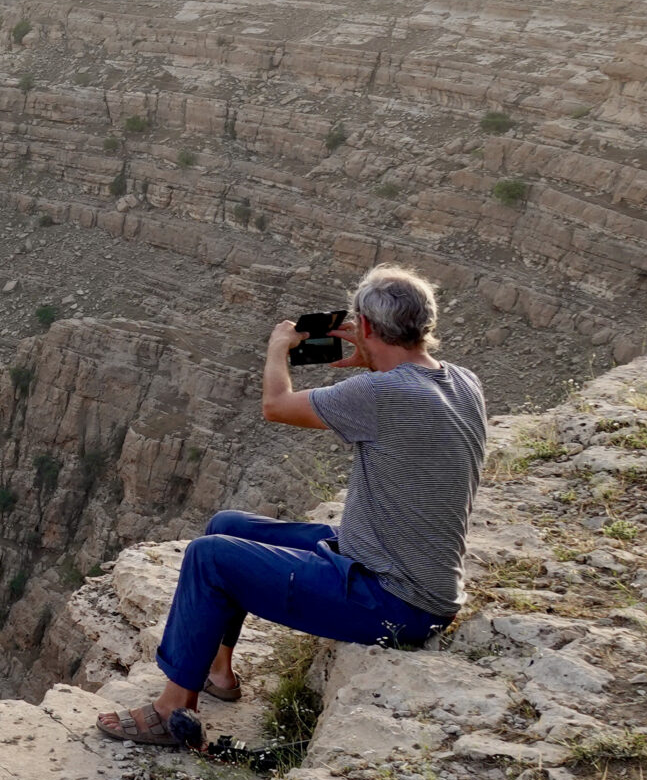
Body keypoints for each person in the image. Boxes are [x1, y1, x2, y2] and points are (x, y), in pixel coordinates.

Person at [96, 264, 485, 749]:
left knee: (209, 555)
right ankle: (217, 673)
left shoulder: (381, 392)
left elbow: (276, 405)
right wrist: (371, 355)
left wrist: (278, 347)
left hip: (393, 599)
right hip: (391, 566)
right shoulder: (462, 381)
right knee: (228, 526)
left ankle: (171, 710)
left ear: (363, 327)